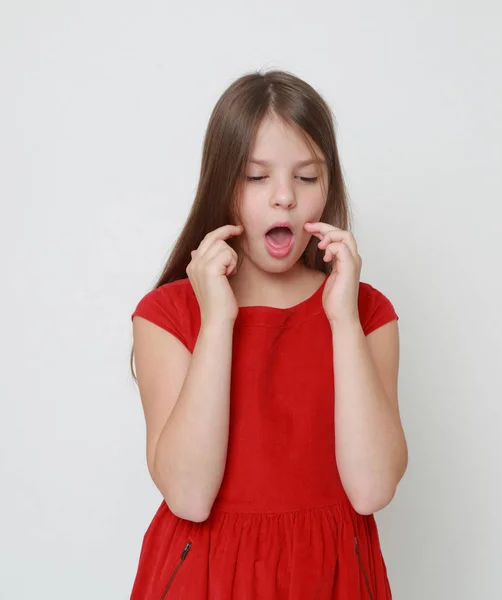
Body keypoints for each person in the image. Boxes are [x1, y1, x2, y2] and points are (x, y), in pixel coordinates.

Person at [128, 69, 408, 599]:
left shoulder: (368, 313)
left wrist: (343, 319)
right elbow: (189, 495)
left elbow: (371, 489)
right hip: (204, 578)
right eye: (257, 177)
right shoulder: (167, 315)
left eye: (307, 177)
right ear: (221, 182)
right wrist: (218, 322)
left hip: (332, 578)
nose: (284, 198)